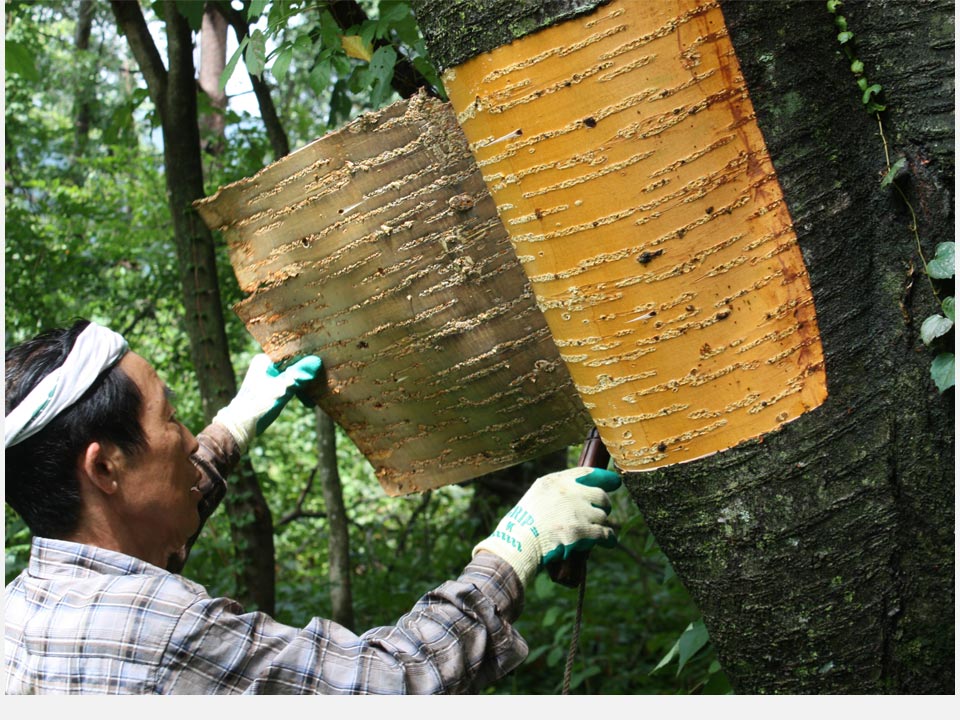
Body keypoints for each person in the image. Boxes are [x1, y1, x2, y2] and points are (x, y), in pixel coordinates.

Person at [4, 319, 622, 694]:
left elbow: (138, 536)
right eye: (170, 418)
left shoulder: (24, 604)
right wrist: (511, 551)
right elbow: (395, 687)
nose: (189, 439)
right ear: (105, 467)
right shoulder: (165, 635)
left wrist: (232, 430)